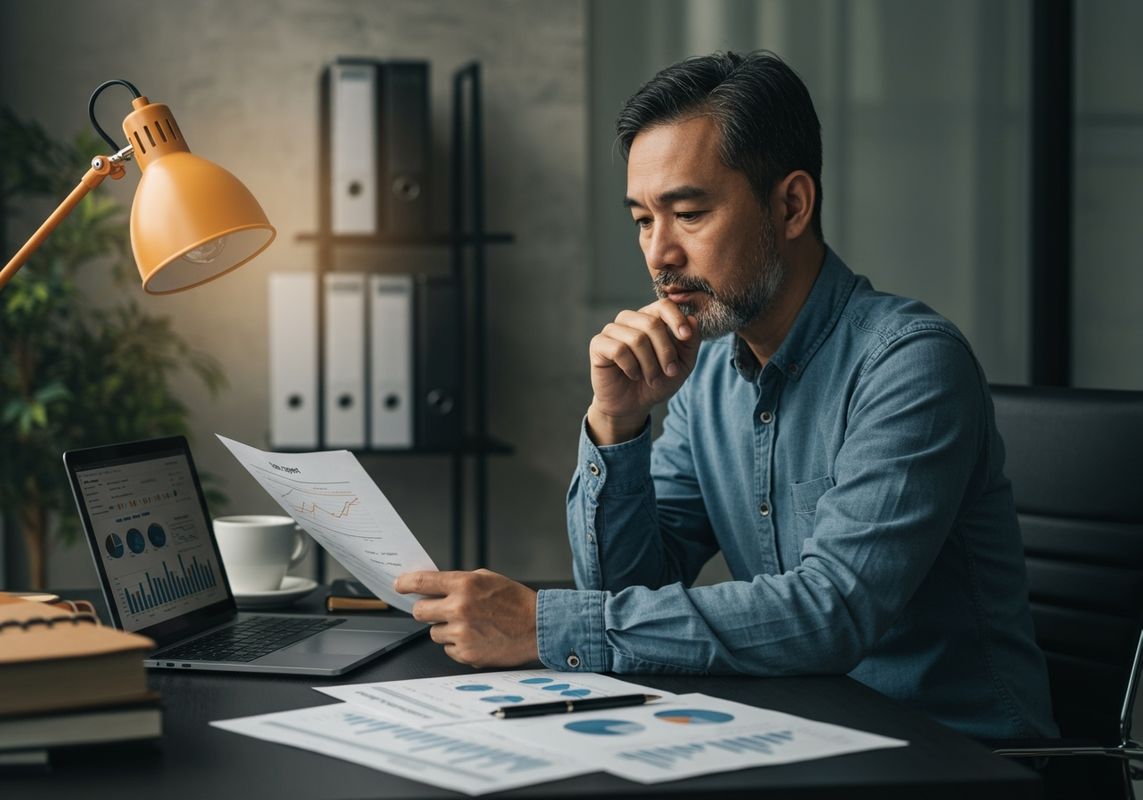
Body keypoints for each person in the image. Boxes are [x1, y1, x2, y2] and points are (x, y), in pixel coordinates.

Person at [395, 50, 1056, 739]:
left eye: (686, 212)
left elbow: (831, 614)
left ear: (791, 204)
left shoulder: (909, 363)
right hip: (796, 737)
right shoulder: (708, 374)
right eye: (642, 220)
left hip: (949, 759)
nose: (657, 254)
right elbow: (626, 596)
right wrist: (617, 424)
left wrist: (545, 624)